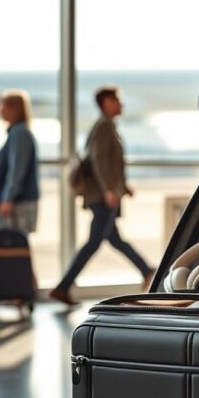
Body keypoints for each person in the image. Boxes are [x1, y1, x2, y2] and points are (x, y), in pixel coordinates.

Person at [49, 86, 153, 305]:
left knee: (114, 239)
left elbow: (109, 163)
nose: (121, 104)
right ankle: (62, 286)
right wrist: (109, 189)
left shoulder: (106, 126)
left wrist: (123, 187)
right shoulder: (104, 127)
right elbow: (100, 160)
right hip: (102, 196)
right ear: (105, 103)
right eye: (117, 100)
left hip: (106, 194)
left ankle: (146, 270)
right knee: (94, 242)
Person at [0, 90, 40, 235]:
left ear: (14, 109)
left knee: (8, 243)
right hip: (17, 200)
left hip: (17, 202)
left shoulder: (19, 134)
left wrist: (7, 198)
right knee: (11, 245)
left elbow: (17, 170)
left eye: (2, 106)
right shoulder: (17, 133)